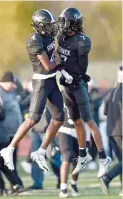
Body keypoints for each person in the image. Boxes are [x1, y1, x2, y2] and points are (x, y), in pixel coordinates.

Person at [0, 9, 72, 172]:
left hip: (52, 80)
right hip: (41, 82)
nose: (51, 28)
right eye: (48, 25)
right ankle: (9, 149)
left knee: (59, 118)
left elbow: (53, 58)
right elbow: (47, 66)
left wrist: (61, 68)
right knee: (32, 119)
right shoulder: (34, 40)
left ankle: (40, 151)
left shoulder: (47, 36)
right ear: (40, 26)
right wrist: (59, 62)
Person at [57, 7, 111, 178]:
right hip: (67, 86)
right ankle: (82, 155)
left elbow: (80, 68)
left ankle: (103, 157)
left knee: (89, 121)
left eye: (65, 22)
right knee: (76, 121)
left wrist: (65, 70)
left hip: (78, 85)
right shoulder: (61, 38)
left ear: (73, 24)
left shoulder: (82, 41)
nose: (62, 25)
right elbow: (60, 59)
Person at [99, 66, 122, 195]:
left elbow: (105, 112)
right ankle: (107, 177)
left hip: (111, 131)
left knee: (121, 161)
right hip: (120, 130)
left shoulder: (111, 92)